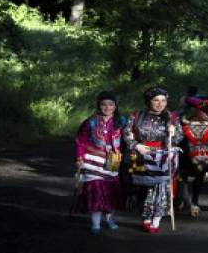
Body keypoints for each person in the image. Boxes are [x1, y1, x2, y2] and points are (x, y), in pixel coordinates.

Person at [124, 87, 183, 233]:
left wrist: (173, 134)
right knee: (144, 188)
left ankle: (156, 218)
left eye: (163, 100)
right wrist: (136, 145)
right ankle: (145, 218)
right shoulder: (137, 115)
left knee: (161, 188)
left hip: (164, 156)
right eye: (156, 100)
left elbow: (179, 138)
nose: (160, 104)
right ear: (148, 101)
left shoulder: (172, 117)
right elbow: (126, 133)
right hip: (141, 155)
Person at [74, 91, 127, 234]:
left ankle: (110, 221)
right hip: (92, 160)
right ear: (99, 106)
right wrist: (79, 158)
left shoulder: (122, 121)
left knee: (111, 192)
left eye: (111, 104)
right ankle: (95, 224)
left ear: (115, 106)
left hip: (114, 160)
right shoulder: (90, 122)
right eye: (103, 104)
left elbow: (130, 139)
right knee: (95, 191)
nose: (107, 107)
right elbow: (81, 142)